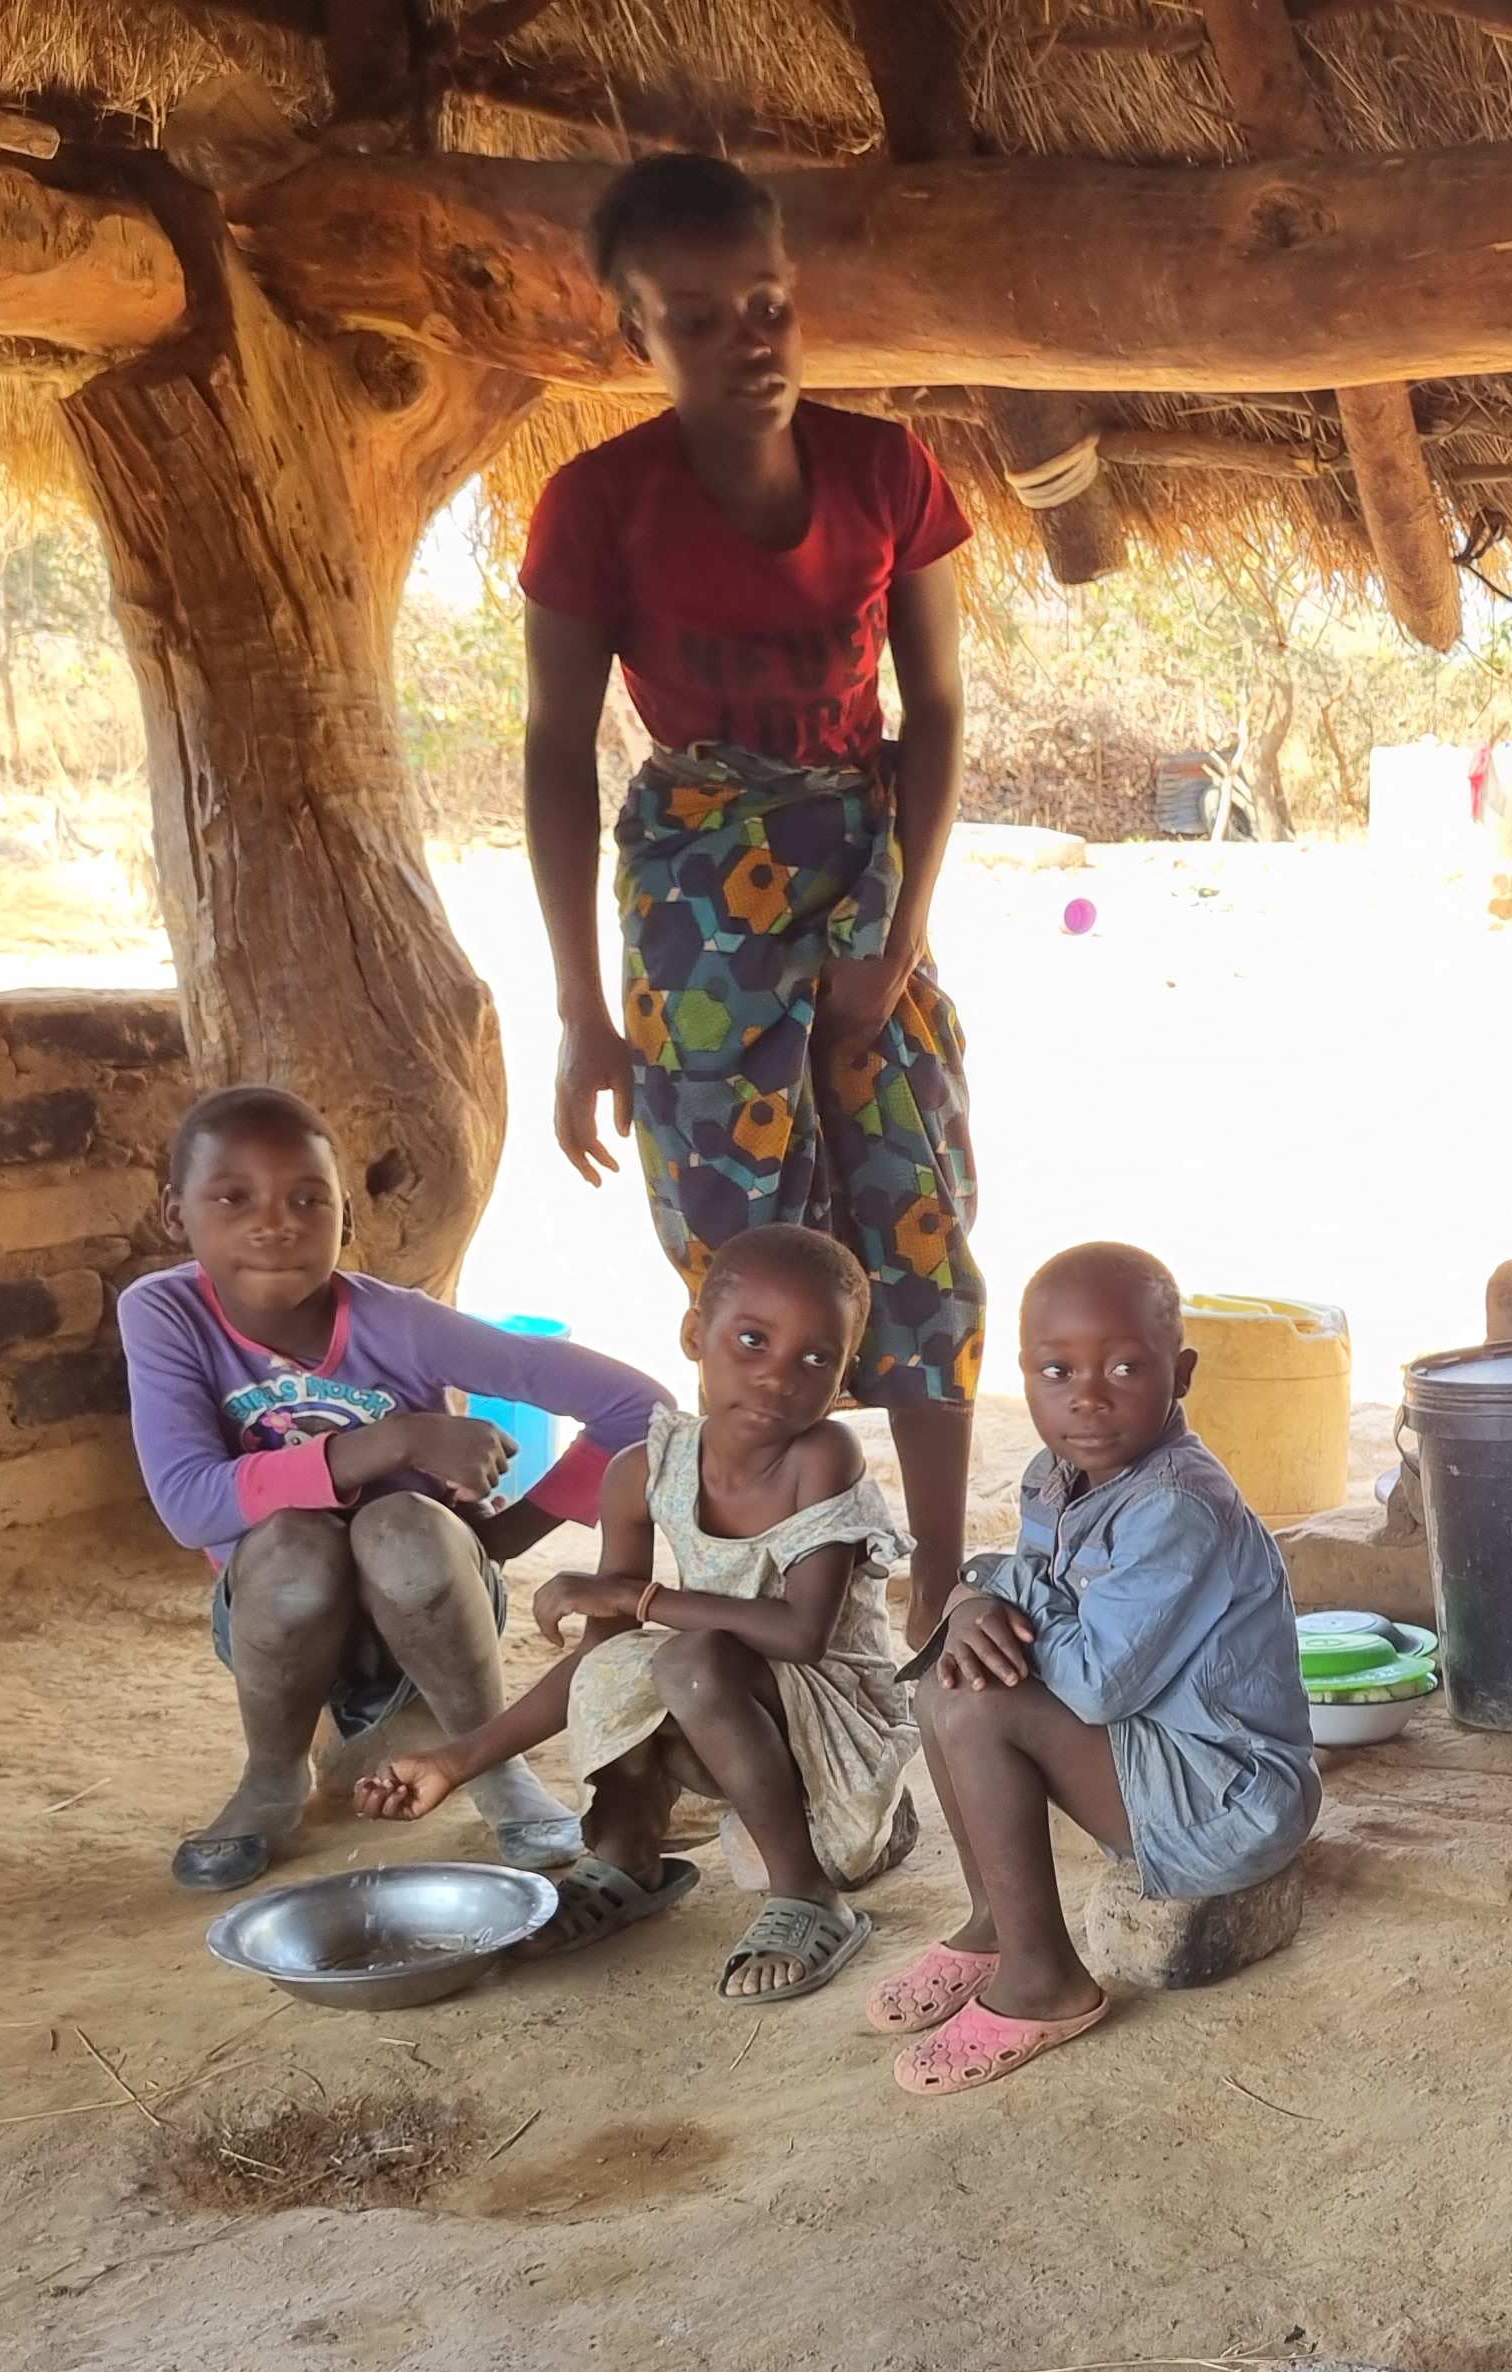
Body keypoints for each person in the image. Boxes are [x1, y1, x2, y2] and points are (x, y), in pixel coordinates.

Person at [521, 147, 982, 1649]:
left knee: (910, 1213)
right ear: (636, 337)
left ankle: (933, 1569)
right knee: (742, 1246)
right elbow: (552, 753)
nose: (749, 341)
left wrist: (893, 941)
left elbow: (941, 716)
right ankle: (756, 1566)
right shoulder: (598, 504)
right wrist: (584, 1016)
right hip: (697, 903)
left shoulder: (887, 471)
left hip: (862, 868)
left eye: (770, 305)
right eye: (698, 318)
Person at [120, 1085, 668, 1892]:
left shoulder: (398, 1324)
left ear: (346, 1217)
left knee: (403, 1525)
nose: (274, 1223)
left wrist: (501, 1538)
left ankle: (488, 1763)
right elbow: (189, 1503)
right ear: (175, 1214)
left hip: (430, 1604)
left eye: (309, 1199)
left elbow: (640, 1408)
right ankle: (273, 1776)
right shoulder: (164, 1315)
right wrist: (398, 1438)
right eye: (232, 1198)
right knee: (295, 1537)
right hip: (275, 1616)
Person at [355, 1224, 919, 2002]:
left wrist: (636, 1597)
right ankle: (627, 1860)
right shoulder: (644, 1471)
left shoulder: (821, 1458)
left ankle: (807, 1893)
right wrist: (455, 1762)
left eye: (816, 1358)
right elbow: (601, 1672)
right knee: (625, 1667)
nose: (779, 1377)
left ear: (844, 1372)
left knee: (682, 1655)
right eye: (751, 1340)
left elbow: (800, 1634)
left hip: (833, 1730)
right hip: (729, 1720)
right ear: (696, 1334)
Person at [870, 1243, 1317, 2096]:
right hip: (1155, 1754)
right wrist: (973, 1601)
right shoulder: (1055, 1475)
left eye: (1124, 1366)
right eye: (1057, 1370)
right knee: (950, 1681)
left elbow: (1091, 1681)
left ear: (1179, 1374)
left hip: (1230, 1795)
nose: (1088, 1395)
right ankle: (995, 1923)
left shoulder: (1174, 1506)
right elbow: (1028, 1612)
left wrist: (988, 1588)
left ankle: (1046, 1983)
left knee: (980, 1705)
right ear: (1024, 1378)